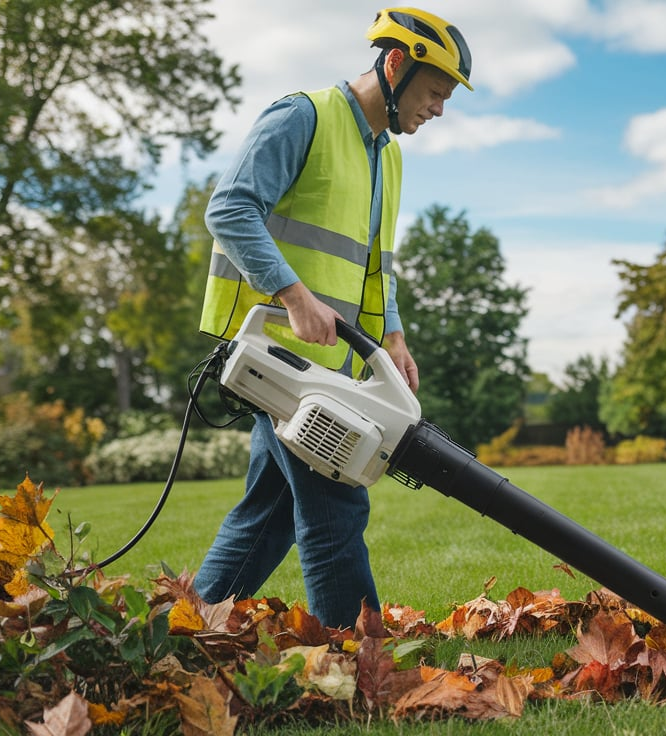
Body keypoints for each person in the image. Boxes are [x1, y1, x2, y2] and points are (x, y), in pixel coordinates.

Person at [193, 7, 473, 628]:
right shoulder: (303, 117)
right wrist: (293, 295)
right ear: (396, 66)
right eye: (434, 93)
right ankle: (357, 655)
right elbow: (231, 207)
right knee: (336, 507)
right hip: (277, 357)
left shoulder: (387, 155)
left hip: (331, 366)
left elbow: (377, 266)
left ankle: (187, 628)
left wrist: (392, 337)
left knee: (265, 516)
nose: (438, 110)